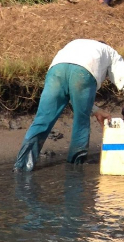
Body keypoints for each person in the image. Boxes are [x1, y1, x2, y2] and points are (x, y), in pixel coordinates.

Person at [13, 39, 118, 171]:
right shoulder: (110, 52)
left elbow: (70, 94)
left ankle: (22, 166)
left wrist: (96, 110)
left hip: (56, 71)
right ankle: (75, 166)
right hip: (83, 73)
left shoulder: (76, 43)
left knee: (42, 120)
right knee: (81, 121)